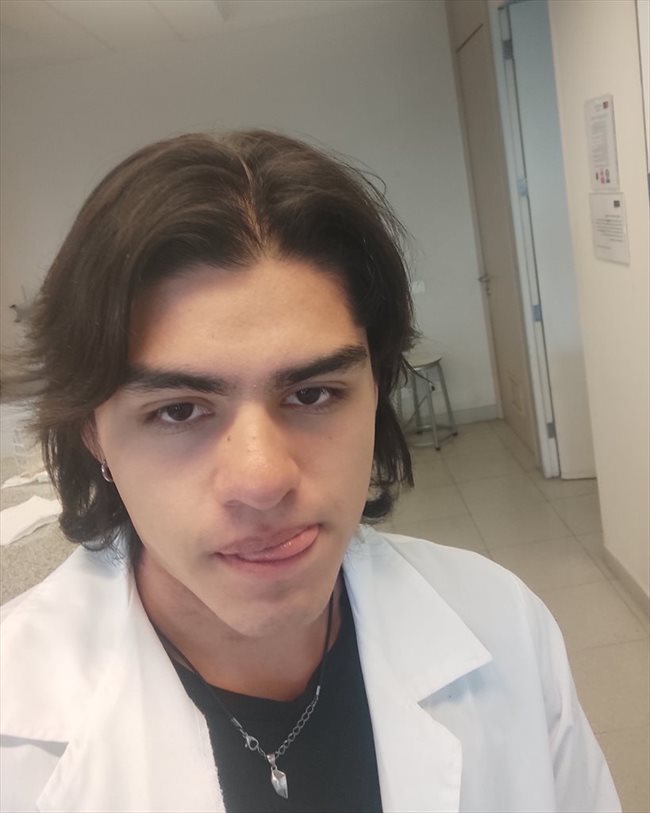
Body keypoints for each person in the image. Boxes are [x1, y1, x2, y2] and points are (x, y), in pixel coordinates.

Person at [0, 131, 620, 813]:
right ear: (92, 430)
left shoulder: (504, 627)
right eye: (178, 410)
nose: (262, 480)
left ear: (376, 390)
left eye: (313, 393)